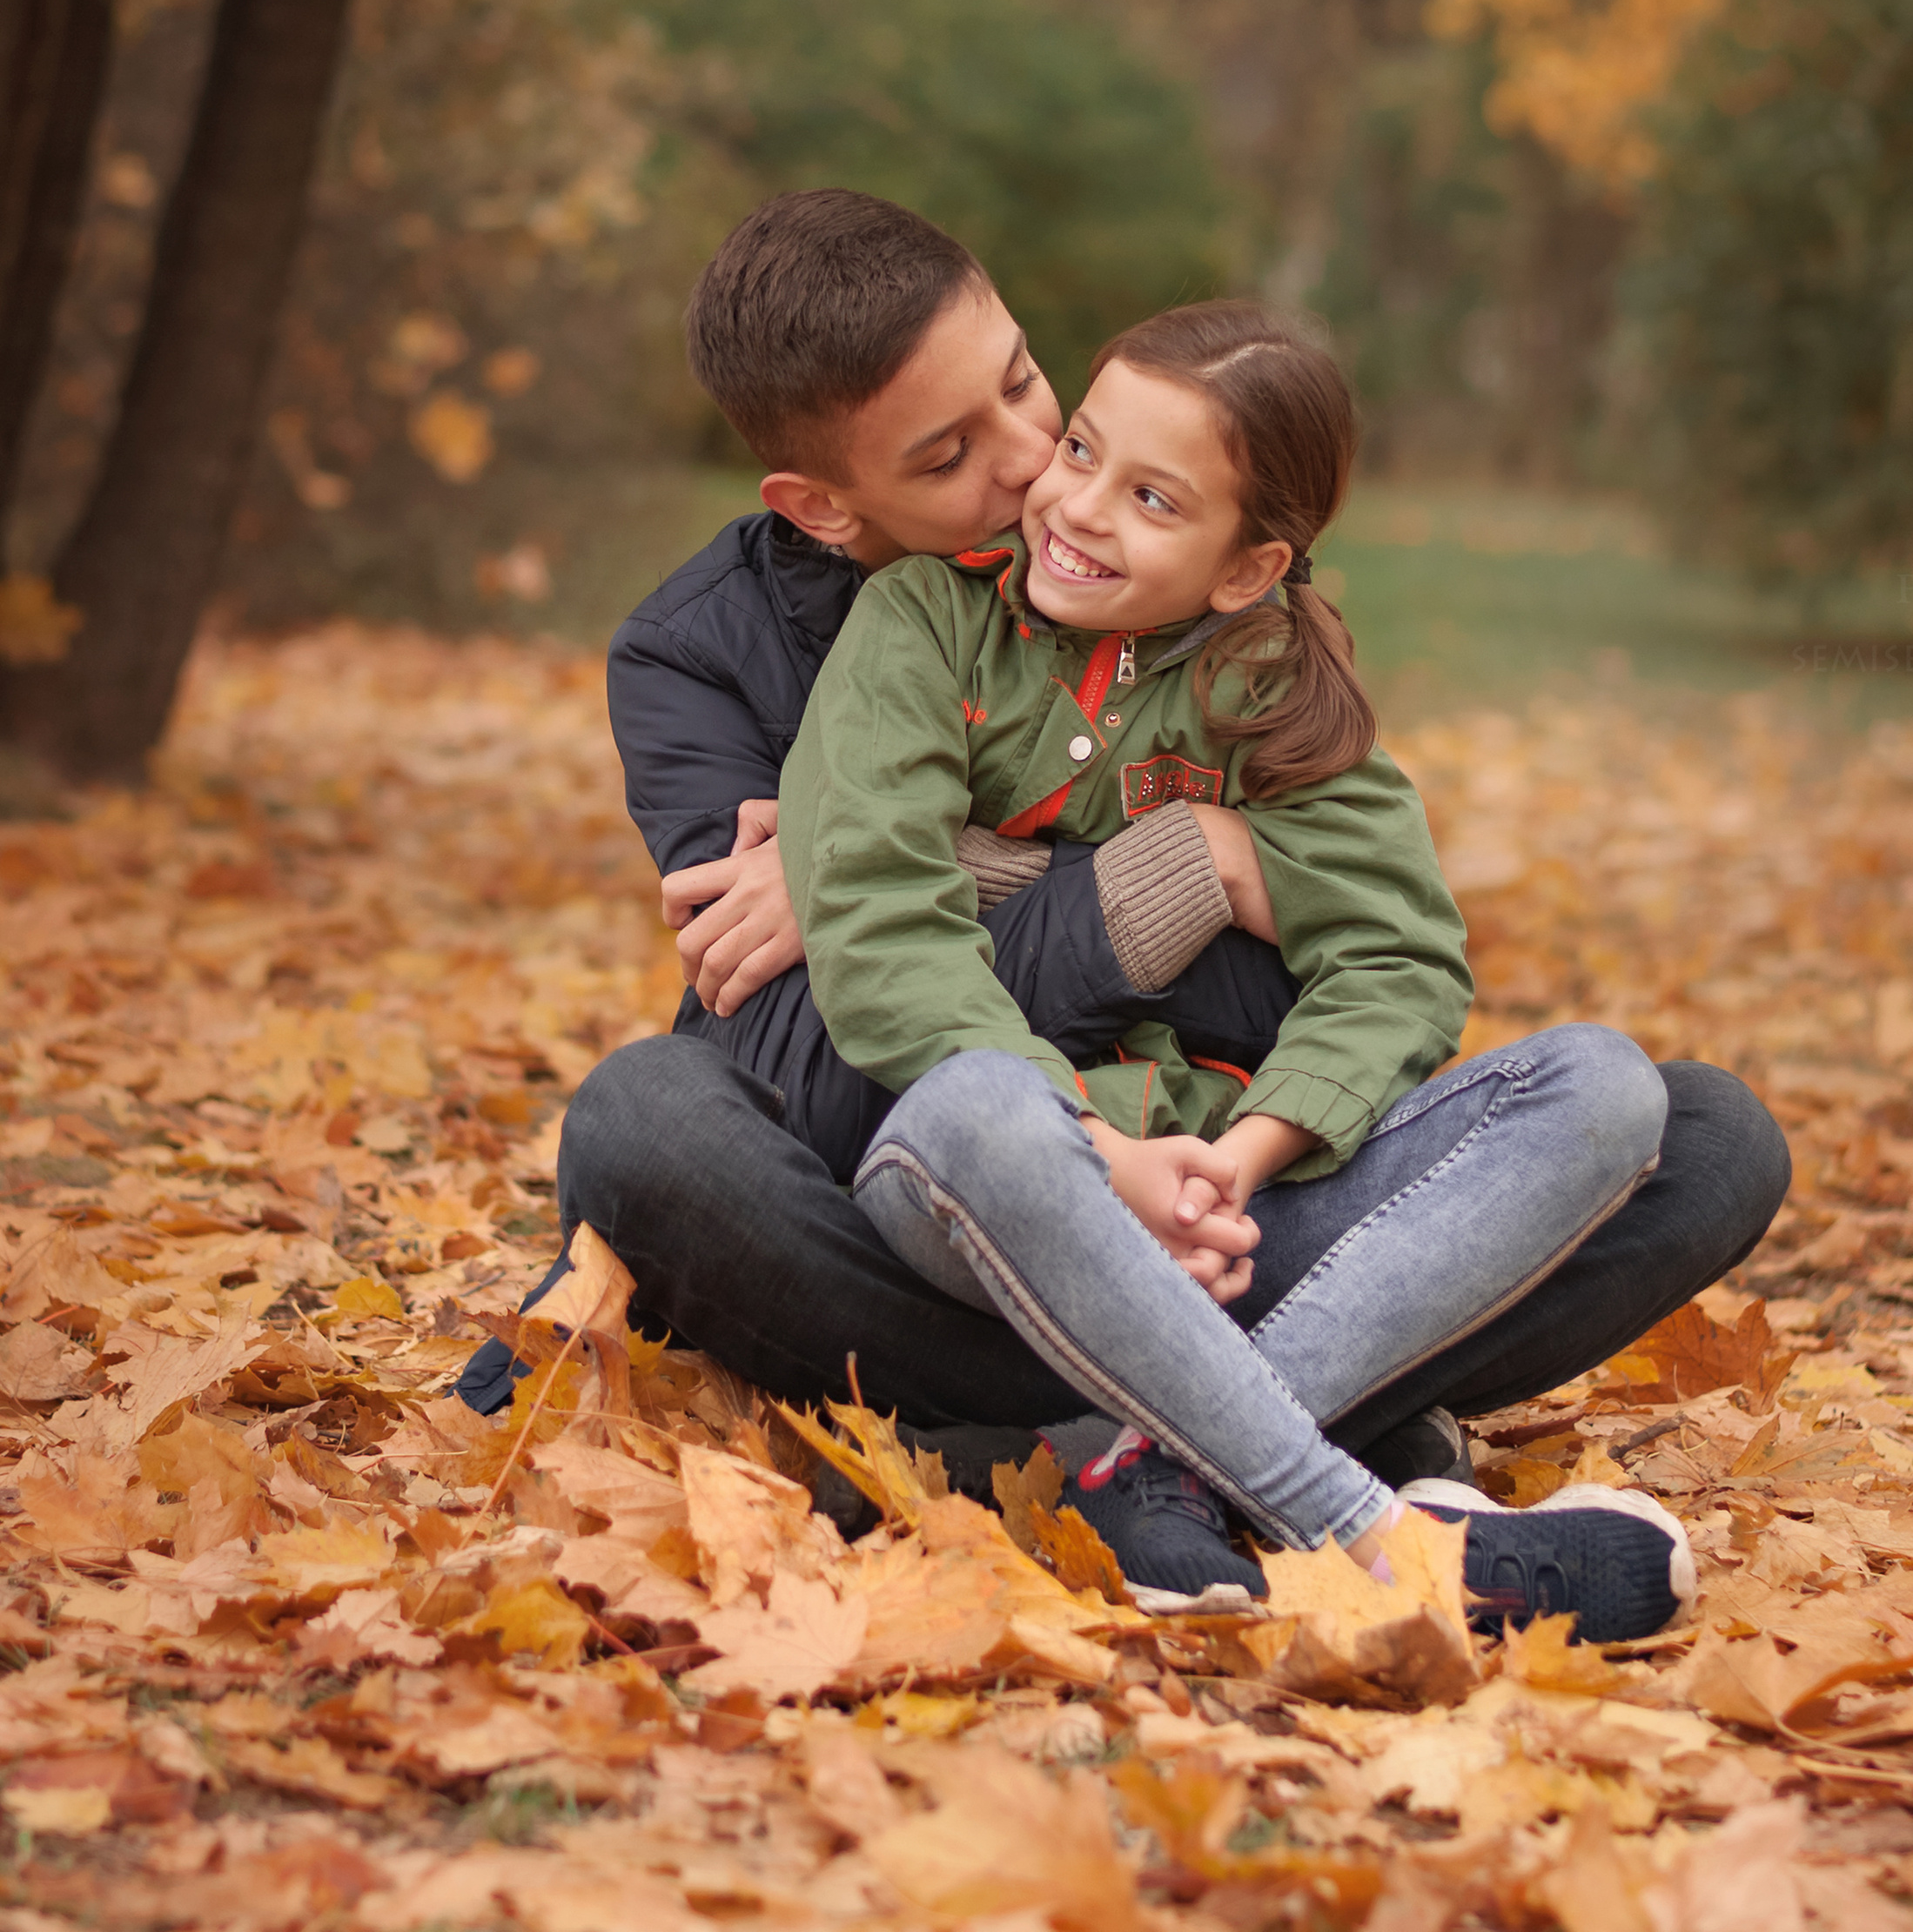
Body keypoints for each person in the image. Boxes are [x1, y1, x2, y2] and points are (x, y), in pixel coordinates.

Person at [458, 192, 1789, 1576]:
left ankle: (1080, 1462)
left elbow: (1367, 952)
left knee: (1694, 1132)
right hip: (905, 1202)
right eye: (955, 451)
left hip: (1220, 1204)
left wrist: (981, 886)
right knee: (644, 1124)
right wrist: (1166, 876)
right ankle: (1310, 1457)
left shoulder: (1226, 620)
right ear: (823, 504)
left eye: (1032, 387)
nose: (1043, 466)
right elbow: (791, 1023)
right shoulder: (718, 654)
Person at [782, 299, 1693, 1634]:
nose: (1080, 508)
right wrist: (1102, 1155)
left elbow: (1398, 958)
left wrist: (1244, 1158)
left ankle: (1144, 1473)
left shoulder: (1269, 688)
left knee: (1611, 1090)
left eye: (1151, 497)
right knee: (977, 1104)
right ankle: (1365, 1527)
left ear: (1244, 569)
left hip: (1231, 1226)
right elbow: (880, 927)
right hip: (999, 1207)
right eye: (1081, 451)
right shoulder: (925, 626)